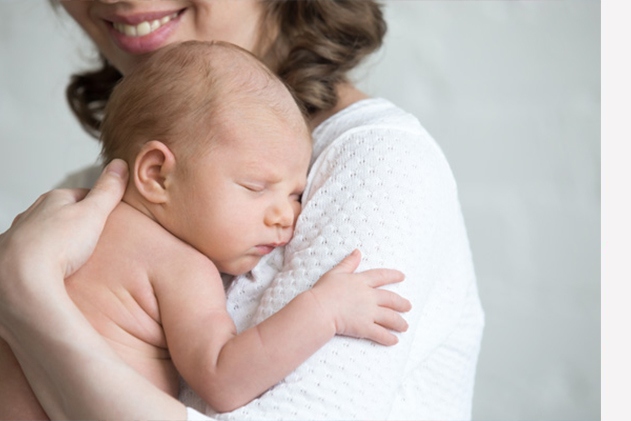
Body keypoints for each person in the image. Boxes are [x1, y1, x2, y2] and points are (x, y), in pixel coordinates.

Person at [0, 1, 485, 420]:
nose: (287, 217)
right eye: (256, 186)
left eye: (296, 195)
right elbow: (222, 373)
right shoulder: (158, 245)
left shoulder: (378, 162)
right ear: (156, 173)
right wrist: (323, 308)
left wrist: (27, 293)